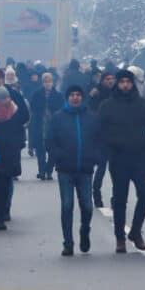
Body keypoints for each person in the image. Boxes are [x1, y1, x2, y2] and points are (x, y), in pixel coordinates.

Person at [98, 69, 145, 254]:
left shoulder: (144, 106)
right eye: (121, 81)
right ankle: (120, 238)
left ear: (133, 84)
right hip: (118, 158)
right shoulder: (107, 106)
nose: (125, 85)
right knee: (120, 199)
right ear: (117, 83)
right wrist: (107, 150)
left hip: (140, 158)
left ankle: (136, 231)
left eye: (128, 81)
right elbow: (100, 130)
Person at [47, 85, 101, 256]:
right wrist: (58, 155)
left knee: (87, 206)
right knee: (67, 205)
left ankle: (85, 230)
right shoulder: (58, 118)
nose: (75, 98)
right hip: (65, 169)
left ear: (82, 97)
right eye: (72, 95)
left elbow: (99, 139)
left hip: (85, 168)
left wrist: (95, 156)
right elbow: (49, 140)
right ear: (67, 97)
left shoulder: (92, 117)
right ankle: (68, 242)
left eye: (78, 95)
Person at [0, 86, 28, 230]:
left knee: (4, 185)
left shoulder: (15, 110)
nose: (6, 101)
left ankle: (2, 214)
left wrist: (14, 92)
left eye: (7, 98)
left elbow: (25, 116)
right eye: (3, 99)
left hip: (10, 152)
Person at [28, 73, 64, 181]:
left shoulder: (58, 95)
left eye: (49, 81)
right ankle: (42, 171)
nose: (47, 84)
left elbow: (61, 109)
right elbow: (33, 108)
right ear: (42, 83)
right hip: (40, 124)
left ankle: (49, 170)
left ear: (53, 82)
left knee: (53, 150)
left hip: (53, 125)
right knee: (40, 150)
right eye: (45, 81)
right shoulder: (37, 94)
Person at [87, 70, 116, 208]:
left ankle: (116, 196)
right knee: (102, 167)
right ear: (103, 80)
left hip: (116, 137)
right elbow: (90, 112)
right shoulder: (96, 93)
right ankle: (96, 192)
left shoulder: (118, 94)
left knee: (116, 170)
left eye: (112, 78)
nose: (110, 81)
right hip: (101, 137)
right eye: (107, 79)